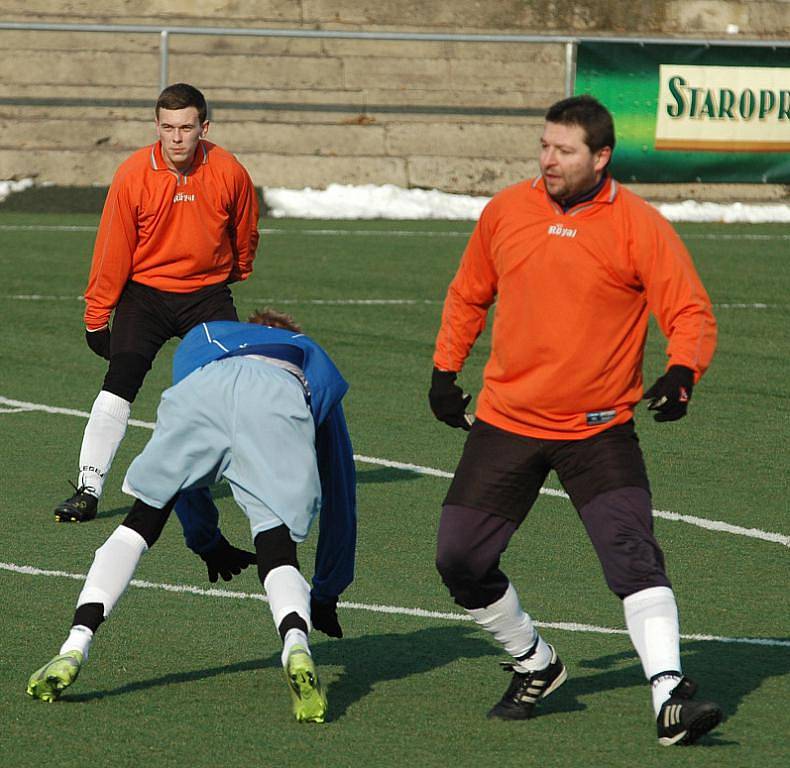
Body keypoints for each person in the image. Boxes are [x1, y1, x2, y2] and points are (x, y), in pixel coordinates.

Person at [429, 95, 723, 746]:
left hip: (599, 426)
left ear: (601, 157)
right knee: (460, 559)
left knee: (632, 556)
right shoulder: (506, 210)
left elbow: (690, 312)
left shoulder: (639, 225)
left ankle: (668, 696)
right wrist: (445, 371)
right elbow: (469, 293)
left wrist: (682, 373)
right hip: (508, 420)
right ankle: (536, 662)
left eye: (564, 150)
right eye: (544, 146)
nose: (549, 160)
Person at [29, 309, 356, 724]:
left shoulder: (207, 337)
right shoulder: (311, 356)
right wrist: (327, 591)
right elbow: (341, 493)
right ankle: (296, 644)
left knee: (138, 524)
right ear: (293, 334)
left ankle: (74, 645)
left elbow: (187, 478)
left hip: (205, 389)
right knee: (277, 546)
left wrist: (206, 539)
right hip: (280, 398)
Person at [53, 82, 260, 523]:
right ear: (157, 127)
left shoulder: (229, 171)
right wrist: (97, 316)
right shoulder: (132, 174)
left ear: (205, 126)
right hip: (144, 296)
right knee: (120, 380)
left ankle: (248, 480)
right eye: (168, 127)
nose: (177, 138)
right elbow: (113, 250)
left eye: (187, 127)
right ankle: (89, 488)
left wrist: (233, 272)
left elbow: (245, 233)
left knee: (235, 382)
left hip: (205, 296)